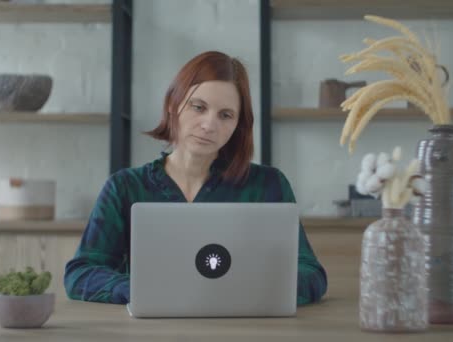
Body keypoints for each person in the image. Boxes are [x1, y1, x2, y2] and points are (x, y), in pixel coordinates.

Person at [64, 51, 327, 305]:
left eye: (225, 115)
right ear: (172, 105)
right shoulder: (124, 187)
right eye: (198, 107)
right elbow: (81, 272)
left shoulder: (268, 185)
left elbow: (311, 273)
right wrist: (140, 290)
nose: (209, 125)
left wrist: (251, 288)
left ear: (238, 125)